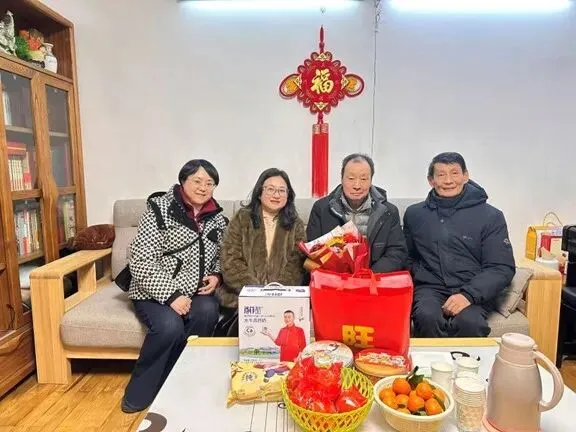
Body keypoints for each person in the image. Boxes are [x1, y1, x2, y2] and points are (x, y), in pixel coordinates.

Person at [122, 159, 227, 413]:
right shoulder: (159, 208)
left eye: (209, 183)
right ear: (183, 181)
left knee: (208, 312)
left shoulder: (217, 218)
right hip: (155, 291)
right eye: (197, 181)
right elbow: (141, 260)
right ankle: (139, 392)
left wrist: (216, 275)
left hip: (195, 290)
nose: (203, 188)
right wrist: (171, 296)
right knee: (169, 327)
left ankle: (184, 381)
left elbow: (222, 255)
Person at [403, 152, 515, 338]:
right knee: (426, 317)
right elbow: (407, 256)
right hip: (430, 288)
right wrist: (421, 273)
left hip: (472, 288)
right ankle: (430, 358)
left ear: (465, 176)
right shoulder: (415, 214)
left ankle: (466, 359)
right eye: (441, 174)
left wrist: (468, 295)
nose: (448, 181)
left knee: (470, 322)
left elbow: (501, 267)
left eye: (454, 173)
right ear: (431, 180)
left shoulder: (491, 216)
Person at [217, 168, 306, 325]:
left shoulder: (295, 224)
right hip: (242, 296)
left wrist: (276, 292)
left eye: (282, 190)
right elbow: (230, 259)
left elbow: (297, 263)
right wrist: (256, 291)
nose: (276, 195)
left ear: (288, 195)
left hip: (282, 298)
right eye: (270, 189)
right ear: (259, 192)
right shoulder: (242, 218)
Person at [306, 153, 407, 273]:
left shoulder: (388, 212)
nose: (357, 185)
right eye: (351, 178)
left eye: (363, 179)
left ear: (371, 180)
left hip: (374, 278)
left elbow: (397, 251)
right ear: (342, 179)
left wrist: (369, 274)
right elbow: (313, 251)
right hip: (333, 278)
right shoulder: (322, 209)